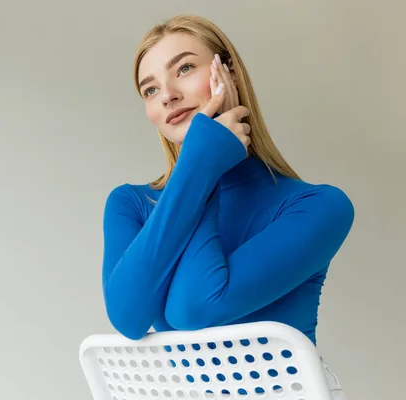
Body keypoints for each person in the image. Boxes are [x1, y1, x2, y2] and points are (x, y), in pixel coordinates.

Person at [100, 14, 353, 400]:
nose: (166, 95)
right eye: (149, 90)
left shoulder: (319, 206)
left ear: (228, 74)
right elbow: (127, 317)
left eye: (184, 68)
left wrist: (205, 165)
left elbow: (195, 308)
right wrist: (201, 166)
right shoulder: (132, 204)